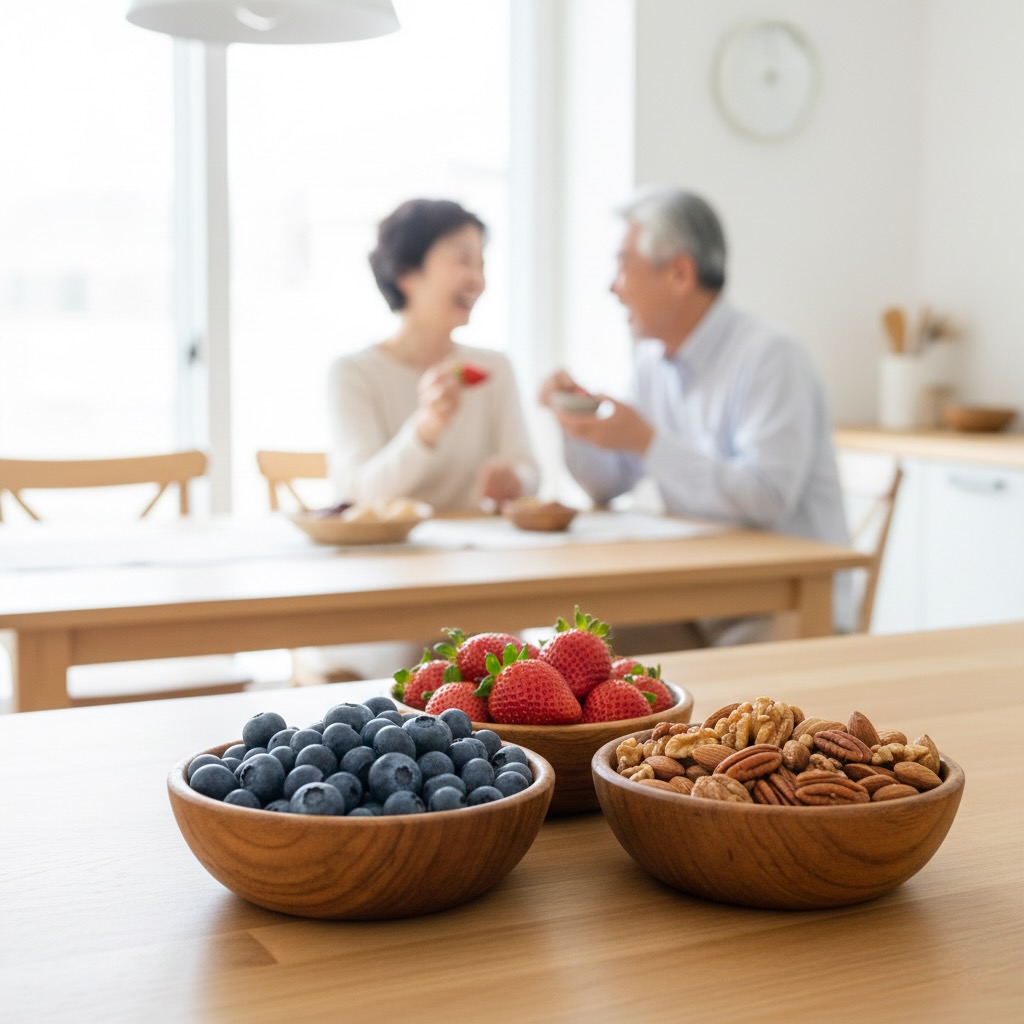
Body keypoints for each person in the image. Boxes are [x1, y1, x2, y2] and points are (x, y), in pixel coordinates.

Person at [540, 186, 852, 649]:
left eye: (623, 265)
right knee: (583, 650)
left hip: (781, 607)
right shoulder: (652, 362)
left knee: (605, 657)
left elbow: (765, 499)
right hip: (692, 600)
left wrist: (646, 442)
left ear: (680, 274)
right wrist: (574, 425)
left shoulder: (771, 356)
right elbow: (608, 486)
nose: (613, 287)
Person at [328, 198, 538, 510]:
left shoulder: (495, 367)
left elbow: (529, 471)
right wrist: (425, 429)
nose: (478, 280)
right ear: (405, 274)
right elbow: (360, 494)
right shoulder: (353, 373)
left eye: (481, 264)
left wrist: (516, 480)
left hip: (477, 540)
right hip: (390, 543)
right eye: (463, 261)